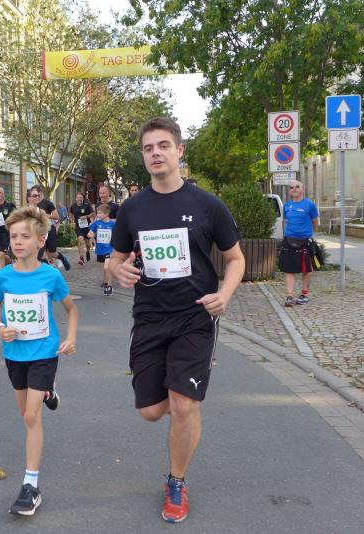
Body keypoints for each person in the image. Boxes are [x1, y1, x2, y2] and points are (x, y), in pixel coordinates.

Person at [109, 117, 245, 524]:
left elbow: (235, 259)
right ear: (143, 156)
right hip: (149, 317)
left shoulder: (207, 205)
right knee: (152, 411)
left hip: (195, 316)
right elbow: (114, 260)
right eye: (148, 148)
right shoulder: (132, 208)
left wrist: (224, 295)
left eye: (163, 145)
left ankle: (177, 481)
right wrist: (118, 270)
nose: (156, 153)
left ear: (179, 150)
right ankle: (187, 400)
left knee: (183, 405)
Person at [0, 206, 78, 517]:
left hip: (44, 353)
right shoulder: (2, 276)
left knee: (30, 416)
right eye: (14, 236)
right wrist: (0, 328)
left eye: (25, 236)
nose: (18, 241)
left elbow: (72, 310)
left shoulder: (51, 275)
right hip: (15, 354)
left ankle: (30, 485)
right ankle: (49, 391)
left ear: (40, 240)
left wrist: (70, 338)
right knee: (25, 412)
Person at [279, 180, 319, 306]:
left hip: (305, 241)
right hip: (289, 240)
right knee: (289, 269)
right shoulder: (287, 206)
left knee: (306, 269)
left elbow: (315, 221)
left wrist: (310, 234)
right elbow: (286, 221)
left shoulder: (309, 204)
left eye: (297, 187)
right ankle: (289, 296)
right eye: (292, 187)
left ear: (302, 189)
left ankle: (304, 294)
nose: (294, 189)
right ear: (289, 191)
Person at [29, 185, 71, 271]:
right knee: (41, 254)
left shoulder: (47, 203)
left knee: (52, 253)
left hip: (49, 229)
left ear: (40, 193)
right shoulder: (30, 206)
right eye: (33, 195)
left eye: (37, 195)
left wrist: (46, 215)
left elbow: (57, 216)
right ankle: (48, 271)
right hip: (39, 232)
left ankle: (62, 258)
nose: (36, 197)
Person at [88, 204, 115, 295]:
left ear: (106, 214)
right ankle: (105, 282)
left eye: (100, 213)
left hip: (109, 249)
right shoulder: (96, 223)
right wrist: (91, 235)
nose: (98, 215)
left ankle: (109, 286)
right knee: (104, 268)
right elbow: (89, 233)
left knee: (107, 267)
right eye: (97, 213)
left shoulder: (112, 224)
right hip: (100, 249)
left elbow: (118, 235)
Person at [69, 192, 94, 266]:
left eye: (81, 197)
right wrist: (72, 221)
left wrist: (86, 216)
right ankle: (81, 257)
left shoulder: (87, 206)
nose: (79, 198)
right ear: (76, 198)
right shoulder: (73, 206)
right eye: (78, 197)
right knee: (80, 240)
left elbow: (93, 213)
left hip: (86, 227)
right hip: (78, 227)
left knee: (88, 244)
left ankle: (88, 251)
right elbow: (71, 213)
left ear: (83, 198)